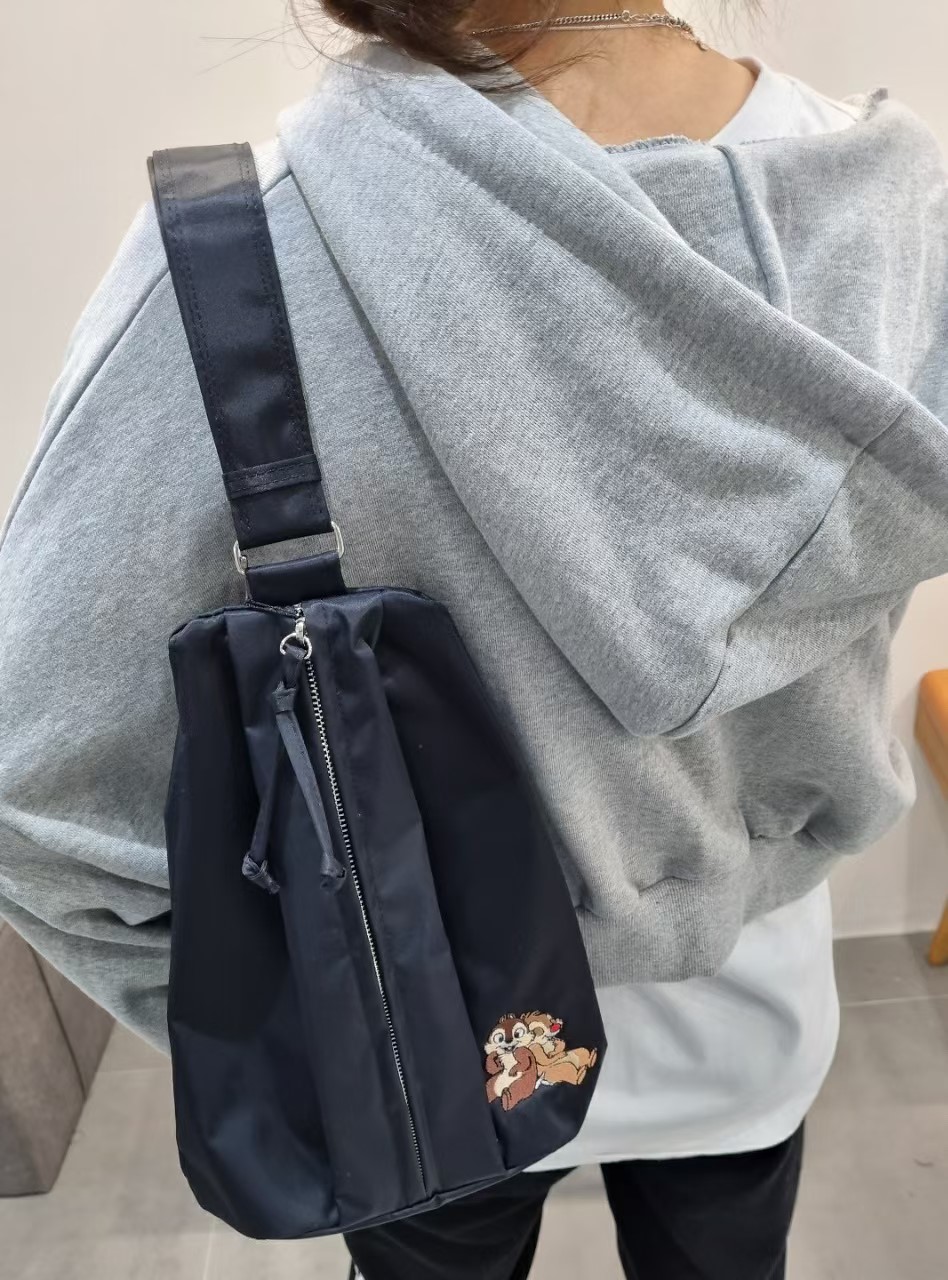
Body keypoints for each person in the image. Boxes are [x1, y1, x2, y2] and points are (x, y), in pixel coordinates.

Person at [1, 3, 946, 1277]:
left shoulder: (245, 261)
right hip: (754, 1012)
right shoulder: (903, 214)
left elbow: (31, 782)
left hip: (420, 1036)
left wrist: (287, 1007)